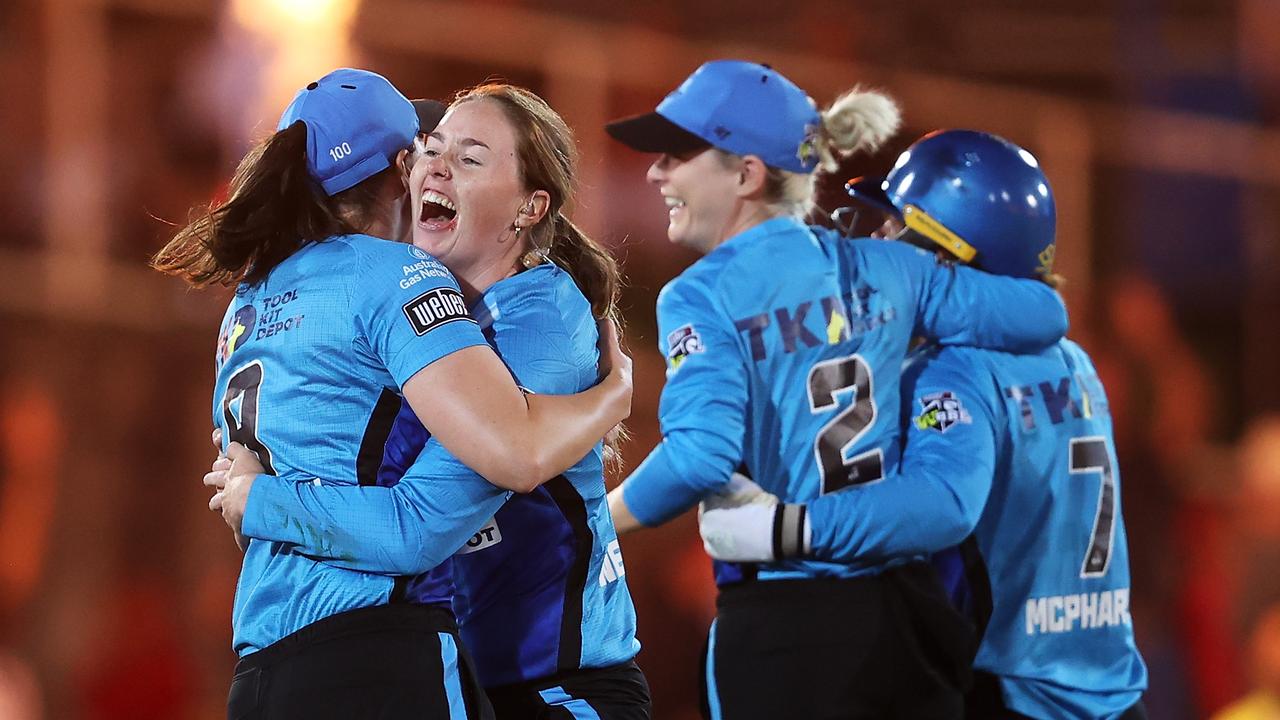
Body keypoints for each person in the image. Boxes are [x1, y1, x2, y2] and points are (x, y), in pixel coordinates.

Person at [153, 68, 632, 719]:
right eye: (430, 152)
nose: (437, 170)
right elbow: (500, 466)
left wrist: (260, 498)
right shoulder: (393, 275)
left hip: (278, 665)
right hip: (374, 654)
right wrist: (615, 396)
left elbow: (313, 495)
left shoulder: (250, 297)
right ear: (400, 166)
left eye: (465, 156)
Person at [601, 59, 1070, 719]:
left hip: (783, 628)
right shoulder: (890, 266)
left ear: (747, 172)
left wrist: (599, 516)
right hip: (899, 620)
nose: (655, 172)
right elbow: (1043, 314)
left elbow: (701, 456)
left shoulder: (700, 295)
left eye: (677, 154)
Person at [699, 130, 1150, 719]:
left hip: (1013, 694)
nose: (876, 246)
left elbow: (942, 503)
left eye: (893, 230)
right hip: (1108, 691)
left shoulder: (951, 368)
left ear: (947, 257)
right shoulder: (1073, 359)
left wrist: (784, 528)